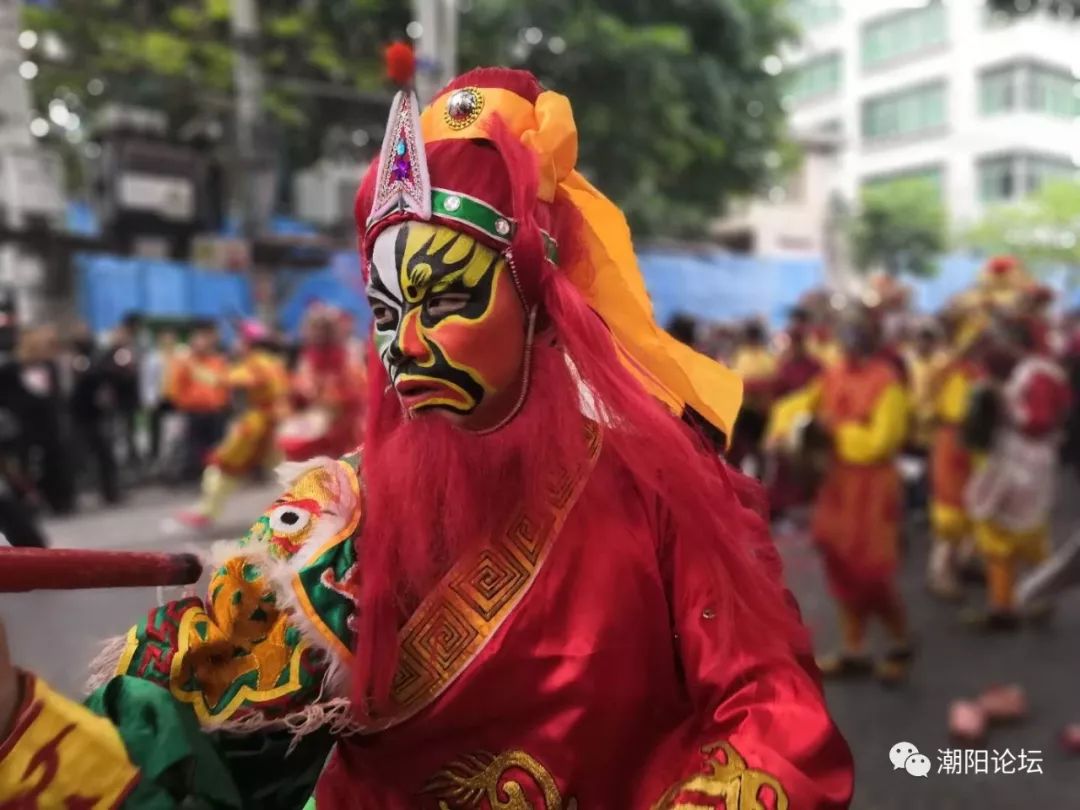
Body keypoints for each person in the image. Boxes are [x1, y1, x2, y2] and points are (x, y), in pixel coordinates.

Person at [0, 67, 852, 807]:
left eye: (444, 302)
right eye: (385, 312)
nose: (404, 348)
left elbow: (768, 711)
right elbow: (171, 746)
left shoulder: (660, 490)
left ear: (541, 311)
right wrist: (14, 717)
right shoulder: (338, 522)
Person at [770, 307, 912, 683]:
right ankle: (855, 648)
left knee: (871, 570)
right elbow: (801, 404)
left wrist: (834, 433)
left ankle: (900, 641)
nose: (849, 342)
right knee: (839, 562)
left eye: (856, 334)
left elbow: (880, 443)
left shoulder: (888, 383)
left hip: (872, 488)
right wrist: (785, 427)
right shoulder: (832, 375)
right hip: (837, 486)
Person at [963, 316, 1072, 630]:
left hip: (1025, 460)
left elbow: (1037, 422)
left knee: (1016, 533)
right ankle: (1006, 603)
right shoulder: (1035, 369)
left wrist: (1002, 402)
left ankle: (1025, 599)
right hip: (1020, 459)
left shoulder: (1036, 373)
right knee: (1005, 531)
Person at [177, 320, 289, 529]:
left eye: (240, 339)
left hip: (256, 424)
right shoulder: (274, 362)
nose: (236, 343)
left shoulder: (257, 364)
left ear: (248, 342)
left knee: (222, 465)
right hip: (275, 423)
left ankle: (207, 509)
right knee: (284, 470)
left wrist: (194, 368)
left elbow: (229, 380)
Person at [277, 304, 366, 462]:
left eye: (323, 328)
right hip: (316, 417)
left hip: (343, 423)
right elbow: (300, 390)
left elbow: (358, 390)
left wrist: (332, 399)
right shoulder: (308, 357)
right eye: (315, 328)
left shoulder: (349, 354)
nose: (318, 333)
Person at [169, 320, 230, 481]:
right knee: (195, 447)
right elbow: (176, 387)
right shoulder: (186, 363)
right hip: (194, 412)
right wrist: (184, 404)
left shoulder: (217, 361)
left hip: (215, 411)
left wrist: (222, 403)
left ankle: (215, 474)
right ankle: (197, 475)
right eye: (197, 340)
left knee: (216, 446)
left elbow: (224, 384)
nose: (201, 344)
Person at [729, 320, 777, 476]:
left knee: (758, 451)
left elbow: (772, 383)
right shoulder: (742, 355)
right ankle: (734, 477)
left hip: (760, 411)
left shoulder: (766, 357)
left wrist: (751, 386)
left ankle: (758, 481)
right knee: (737, 450)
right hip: (743, 409)